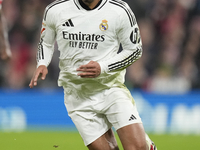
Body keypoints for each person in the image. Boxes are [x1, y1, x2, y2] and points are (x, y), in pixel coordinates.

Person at [29, 0, 157, 150]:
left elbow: (135, 50)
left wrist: (102, 67)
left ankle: (147, 145)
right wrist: (42, 63)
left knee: (137, 148)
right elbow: (46, 43)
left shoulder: (119, 10)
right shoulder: (56, 10)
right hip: (78, 97)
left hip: (110, 89)